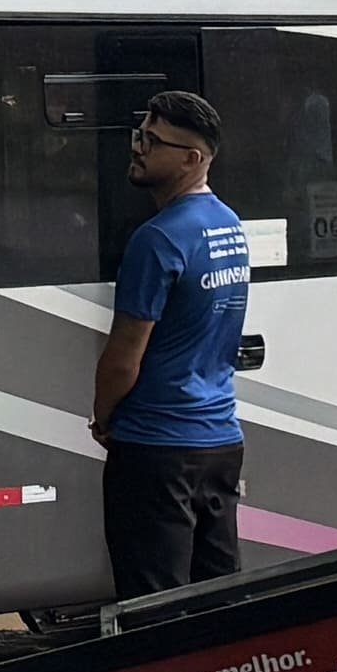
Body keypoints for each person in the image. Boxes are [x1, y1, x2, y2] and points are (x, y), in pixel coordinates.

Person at [96, 90, 252, 596]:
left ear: (192, 159)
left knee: (152, 605)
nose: (138, 147)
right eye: (139, 134)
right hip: (220, 440)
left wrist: (104, 417)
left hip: (157, 446)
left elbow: (124, 356)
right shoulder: (229, 226)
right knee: (217, 603)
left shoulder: (158, 239)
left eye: (153, 141)